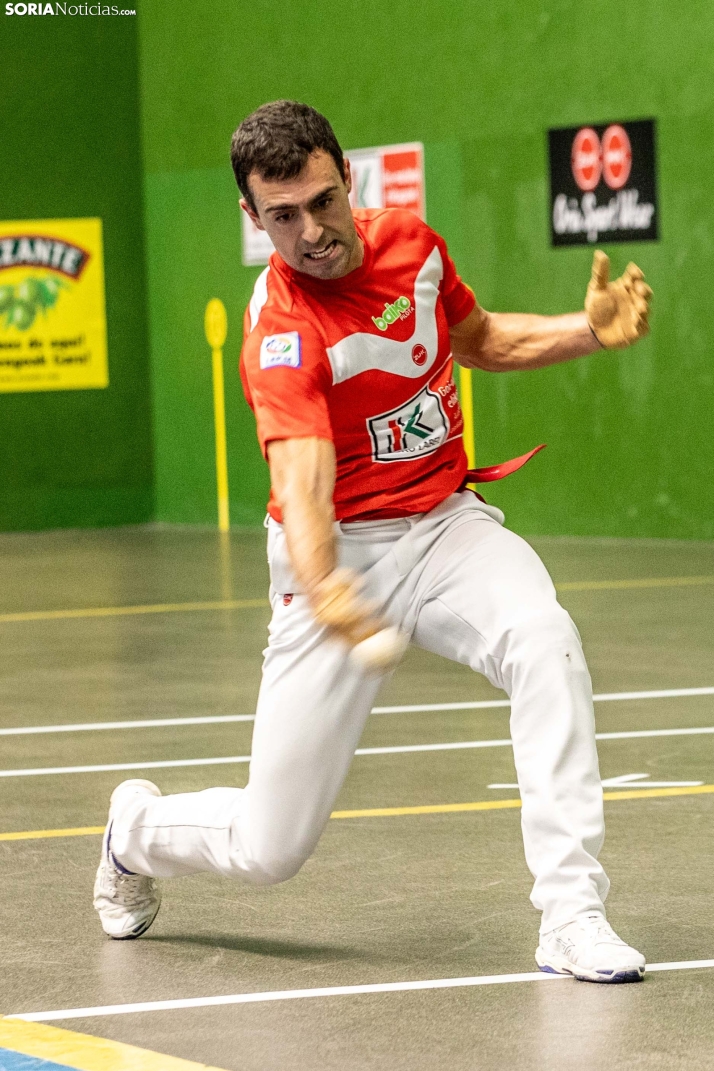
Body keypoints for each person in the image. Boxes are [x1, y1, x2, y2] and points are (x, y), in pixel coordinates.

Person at [94, 100, 653, 984]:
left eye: (322, 201)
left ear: (346, 176)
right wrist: (326, 584)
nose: (312, 231)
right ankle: (133, 831)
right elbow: (305, 484)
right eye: (283, 216)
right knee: (269, 846)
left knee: (545, 639)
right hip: (341, 559)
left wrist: (587, 331)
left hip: (444, 525)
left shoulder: (414, 247)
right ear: (252, 217)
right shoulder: (282, 334)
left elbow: (480, 339)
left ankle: (572, 917)